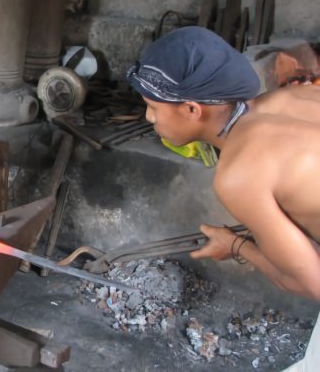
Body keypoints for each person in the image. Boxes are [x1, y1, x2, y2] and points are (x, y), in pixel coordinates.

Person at [127, 26, 320, 370]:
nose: (149, 117)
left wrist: (234, 246)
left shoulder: (239, 173)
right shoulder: (292, 97)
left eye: (152, 107)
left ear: (191, 110)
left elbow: (308, 282)